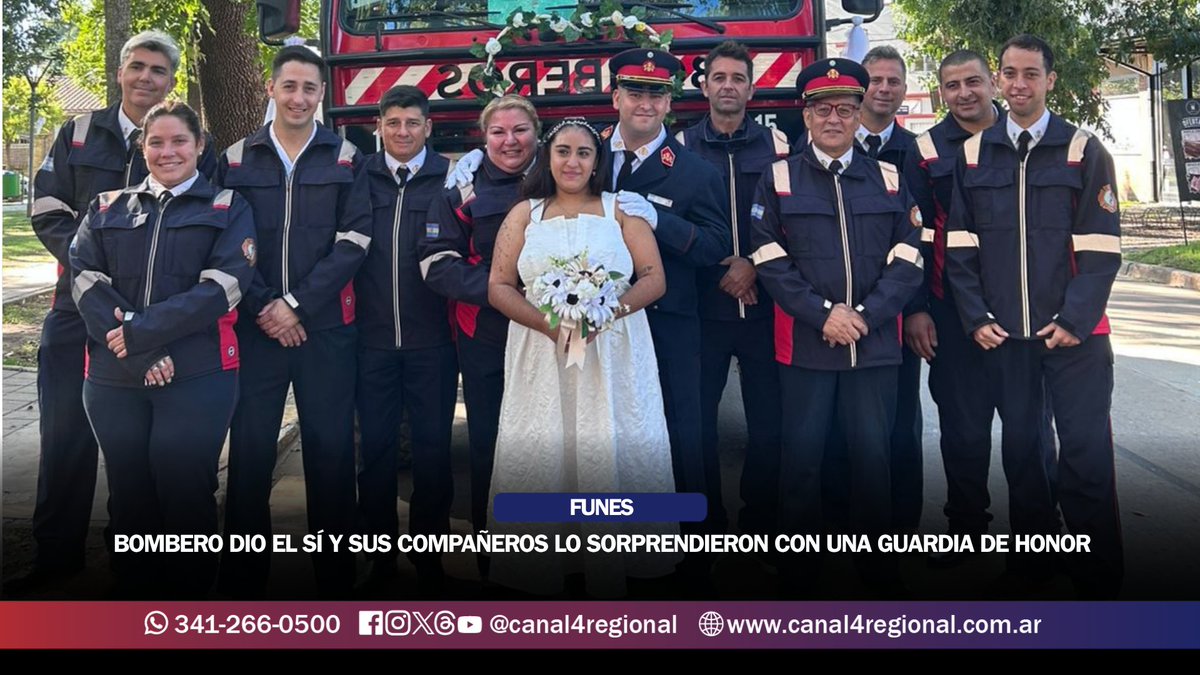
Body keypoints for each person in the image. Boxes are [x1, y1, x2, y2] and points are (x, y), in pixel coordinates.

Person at [9, 30, 217, 595]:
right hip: (77, 310)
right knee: (64, 434)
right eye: (138, 66)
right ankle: (57, 556)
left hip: (158, 323)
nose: (146, 77)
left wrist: (147, 320)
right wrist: (98, 281)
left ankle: (138, 561)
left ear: (171, 82)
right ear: (121, 71)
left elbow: (211, 216)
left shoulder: (193, 142)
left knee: (144, 448)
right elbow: (48, 210)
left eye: (159, 70)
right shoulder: (78, 133)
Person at [945, 35, 1123, 599]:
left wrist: (1074, 319)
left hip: (1075, 338)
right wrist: (976, 317)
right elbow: (960, 246)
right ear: (999, 80)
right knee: (1023, 454)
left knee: (1085, 456)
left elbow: (1101, 247)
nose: (1018, 84)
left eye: (1030, 73)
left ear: (1050, 80)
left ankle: (1097, 576)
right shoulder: (974, 154)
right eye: (1009, 73)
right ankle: (1034, 566)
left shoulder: (1083, 150)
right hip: (1008, 338)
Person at [750, 57, 923, 597]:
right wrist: (824, 313)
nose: (833, 119)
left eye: (845, 110)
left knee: (873, 460)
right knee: (801, 461)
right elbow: (768, 258)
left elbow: (909, 257)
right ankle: (800, 571)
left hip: (873, 346)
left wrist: (864, 317)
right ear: (806, 115)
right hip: (805, 345)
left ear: (858, 114)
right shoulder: (778, 178)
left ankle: (877, 570)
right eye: (822, 109)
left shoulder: (889, 179)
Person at [483, 118, 678, 597]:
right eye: (563, 151)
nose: (573, 162)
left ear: (597, 161)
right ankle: (549, 562)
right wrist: (548, 324)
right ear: (547, 158)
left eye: (584, 153)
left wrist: (607, 314)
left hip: (613, 353)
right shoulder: (524, 214)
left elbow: (653, 277)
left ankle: (621, 557)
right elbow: (499, 286)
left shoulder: (621, 210)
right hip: (541, 352)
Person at [69, 102, 255, 598]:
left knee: (185, 493)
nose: (167, 152)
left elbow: (222, 288)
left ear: (199, 146)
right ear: (142, 147)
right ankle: (135, 601)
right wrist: (140, 351)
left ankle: (188, 607)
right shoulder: (106, 207)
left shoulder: (227, 208)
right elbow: (85, 282)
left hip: (198, 374)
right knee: (129, 497)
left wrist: (142, 333)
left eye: (179, 141)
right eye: (156, 142)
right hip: (114, 377)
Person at [216, 46, 372, 599]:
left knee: (331, 452)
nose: (299, 98)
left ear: (321, 95)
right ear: (271, 89)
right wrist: (267, 307)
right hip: (256, 329)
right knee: (250, 451)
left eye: (309, 89)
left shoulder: (347, 158)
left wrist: (297, 306)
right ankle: (243, 579)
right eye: (289, 86)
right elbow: (225, 241)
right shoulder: (235, 159)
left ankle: (336, 578)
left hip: (324, 330)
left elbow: (354, 242)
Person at [903, 50, 1057, 569]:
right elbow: (915, 236)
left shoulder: (1025, 139)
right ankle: (965, 532)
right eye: (952, 85)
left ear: (992, 82)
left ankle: (1038, 542)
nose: (964, 93)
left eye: (973, 81)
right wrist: (918, 308)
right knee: (964, 432)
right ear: (940, 93)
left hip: (1024, 313)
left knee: (1028, 433)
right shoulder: (925, 150)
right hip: (952, 313)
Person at [599, 48, 731, 543]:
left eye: (657, 94)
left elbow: (716, 246)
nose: (646, 104)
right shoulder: (585, 156)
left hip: (668, 323)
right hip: (598, 323)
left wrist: (661, 221)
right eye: (635, 92)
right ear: (615, 96)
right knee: (608, 432)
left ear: (670, 102)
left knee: (679, 433)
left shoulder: (695, 171)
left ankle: (695, 542)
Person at [418, 95, 539, 572]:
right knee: (490, 444)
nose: (510, 141)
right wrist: (501, 291)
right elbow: (436, 263)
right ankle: (494, 556)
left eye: (520, 130)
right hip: (486, 334)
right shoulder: (462, 187)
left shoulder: (561, 177)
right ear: (483, 137)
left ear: (537, 132)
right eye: (498, 132)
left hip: (551, 336)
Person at [676, 40, 788, 536]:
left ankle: (760, 522)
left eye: (738, 78)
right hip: (704, 309)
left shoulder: (780, 146)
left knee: (769, 424)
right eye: (719, 77)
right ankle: (704, 527)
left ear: (751, 89)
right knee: (696, 425)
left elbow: (796, 222)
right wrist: (720, 269)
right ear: (704, 86)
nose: (728, 86)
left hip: (766, 308)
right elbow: (669, 225)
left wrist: (755, 267)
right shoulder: (679, 148)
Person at [355, 85, 457, 595]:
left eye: (412, 122)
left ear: (428, 127)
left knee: (433, 453)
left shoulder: (451, 179)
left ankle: (430, 557)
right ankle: (380, 559)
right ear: (379, 126)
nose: (402, 132)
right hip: (370, 342)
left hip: (432, 344)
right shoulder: (359, 177)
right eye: (392, 122)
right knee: (374, 454)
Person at [824, 44, 923, 535]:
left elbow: (920, 238)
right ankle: (837, 521)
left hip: (892, 314)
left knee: (898, 422)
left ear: (904, 90)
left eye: (893, 81)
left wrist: (914, 309)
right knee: (833, 425)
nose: (884, 89)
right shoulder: (817, 144)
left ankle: (898, 528)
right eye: (875, 81)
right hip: (828, 318)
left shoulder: (917, 153)